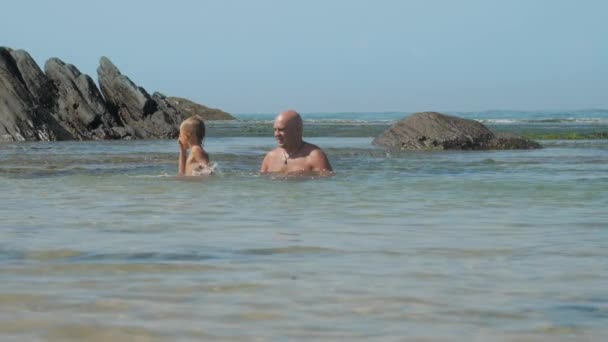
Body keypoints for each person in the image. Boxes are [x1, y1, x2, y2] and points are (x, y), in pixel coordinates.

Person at [260, 110, 333, 175]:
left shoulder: (314, 156)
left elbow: (326, 185)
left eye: (281, 129)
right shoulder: (270, 157)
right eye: (275, 130)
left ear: (298, 129)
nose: (276, 134)